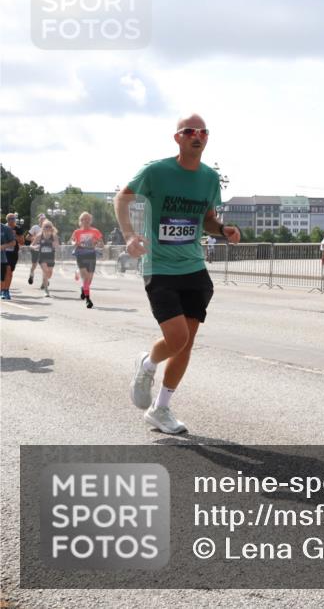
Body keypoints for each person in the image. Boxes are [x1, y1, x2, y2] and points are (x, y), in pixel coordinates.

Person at [115, 113, 240, 435]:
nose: (196, 136)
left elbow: (208, 219)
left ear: (207, 138)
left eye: (202, 132)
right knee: (177, 338)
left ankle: (161, 409)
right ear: (178, 138)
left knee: (186, 344)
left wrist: (223, 229)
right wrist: (130, 235)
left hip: (194, 266)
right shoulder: (156, 171)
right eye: (189, 131)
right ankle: (147, 364)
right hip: (159, 266)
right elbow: (123, 198)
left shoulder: (210, 178)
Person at [70, 212, 103, 309]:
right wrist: (75, 242)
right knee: (85, 278)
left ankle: (83, 289)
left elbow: (102, 244)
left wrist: (98, 243)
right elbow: (72, 241)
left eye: (88, 219)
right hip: (80, 255)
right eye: (84, 219)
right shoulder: (77, 232)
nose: (86, 221)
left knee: (89, 280)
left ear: (90, 221)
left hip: (91, 255)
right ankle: (88, 300)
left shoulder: (95, 231)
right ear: (80, 221)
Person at [31, 220, 59, 297]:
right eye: (46, 226)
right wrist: (35, 247)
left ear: (51, 228)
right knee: (45, 271)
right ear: (43, 227)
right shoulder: (39, 236)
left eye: (49, 226)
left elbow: (57, 245)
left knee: (49, 273)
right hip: (42, 256)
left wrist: (54, 245)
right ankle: (46, 290)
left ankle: (45, 281)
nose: (47, 228)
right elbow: (31, 245)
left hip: (51, 257)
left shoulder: (54, 236)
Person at [1, 213, 25, 298]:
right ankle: (3, 290)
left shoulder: (18, 229)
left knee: (9, 273)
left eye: (13, 219)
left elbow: (22, 242)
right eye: (10, 219)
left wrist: (15, 235)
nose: (11, 220)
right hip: (3, 253)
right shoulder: (3, 228)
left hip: (12, 254)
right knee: (5, 271)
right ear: (6, 220)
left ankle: (5, 290)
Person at [27, 213, 45, 286]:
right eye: (41, 219)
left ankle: (44, 282)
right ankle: (31, 275)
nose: (42, 220)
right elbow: (27, 237)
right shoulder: (35, 227)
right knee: (34, 265)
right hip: (35, 249)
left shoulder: (47, 228)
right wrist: (34, 239)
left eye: (43, 219)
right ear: (39, 220)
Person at [0, 218, 15, 300]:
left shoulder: (6, 229)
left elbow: (13, 242)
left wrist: (3, 246)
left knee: (1, 281)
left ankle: (4, 290)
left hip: (1, 258)